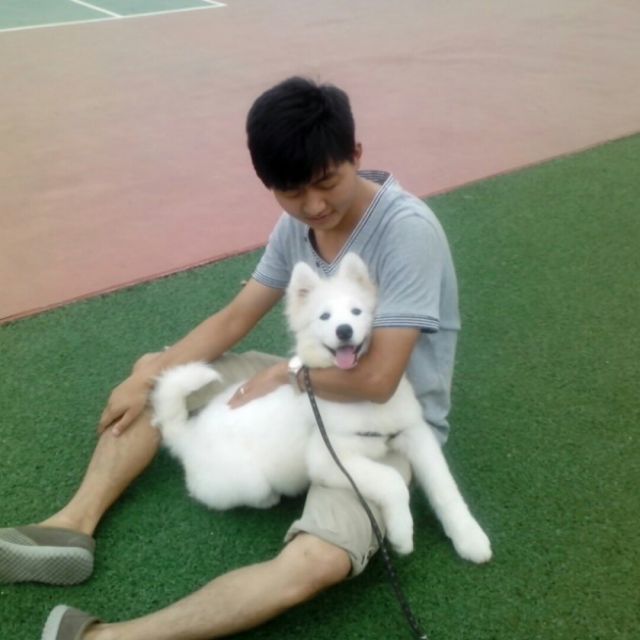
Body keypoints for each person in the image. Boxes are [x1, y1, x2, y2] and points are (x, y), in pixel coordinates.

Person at [2, 76, 460, 640]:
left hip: (384, 425)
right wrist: (149, 375)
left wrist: (287, 374)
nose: (313, 206)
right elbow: (236, 317)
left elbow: (380, 379)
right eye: (291, 192)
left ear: (356, 156)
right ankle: (71, 525)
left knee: (319, 560)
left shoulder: (405, 231)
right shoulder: (298, 224)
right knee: (161, 373)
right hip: (310, 388)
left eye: (326, 183)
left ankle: (101, 638)